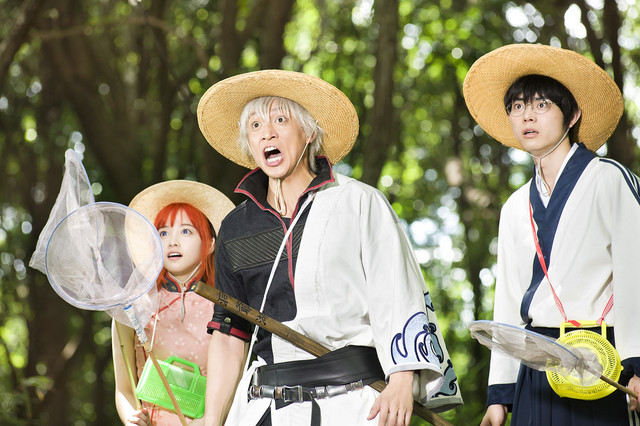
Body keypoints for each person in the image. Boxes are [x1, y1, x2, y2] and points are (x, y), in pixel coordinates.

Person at [193, 70, 461, 426]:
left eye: (280, 120)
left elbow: (396, 293)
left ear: (309, 133)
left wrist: (401, 379)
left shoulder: (359, 202)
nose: (267, 132)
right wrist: (212, 420)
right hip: (264, 407)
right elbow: (231, 334)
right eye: (255, 126)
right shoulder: (236, 227)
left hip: (354, 403)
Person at [463, 43, 640, 425]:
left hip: (601, 362)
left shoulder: (609, 179)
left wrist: (637, 364)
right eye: (517, 106)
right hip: (536, 365)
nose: (527, 115)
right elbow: (508, 299)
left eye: (541, 104)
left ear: (572, 114)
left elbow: (635, 275)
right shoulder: (515, 205)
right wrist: (500, 395)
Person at [112, 180, 234, 425]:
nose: (172, 241)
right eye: (163, 233)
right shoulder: (133, 307)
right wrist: (130, 419)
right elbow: (123, 388)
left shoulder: (226, 307)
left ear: (210, 243)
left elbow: (235, 387)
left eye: (186, 231)